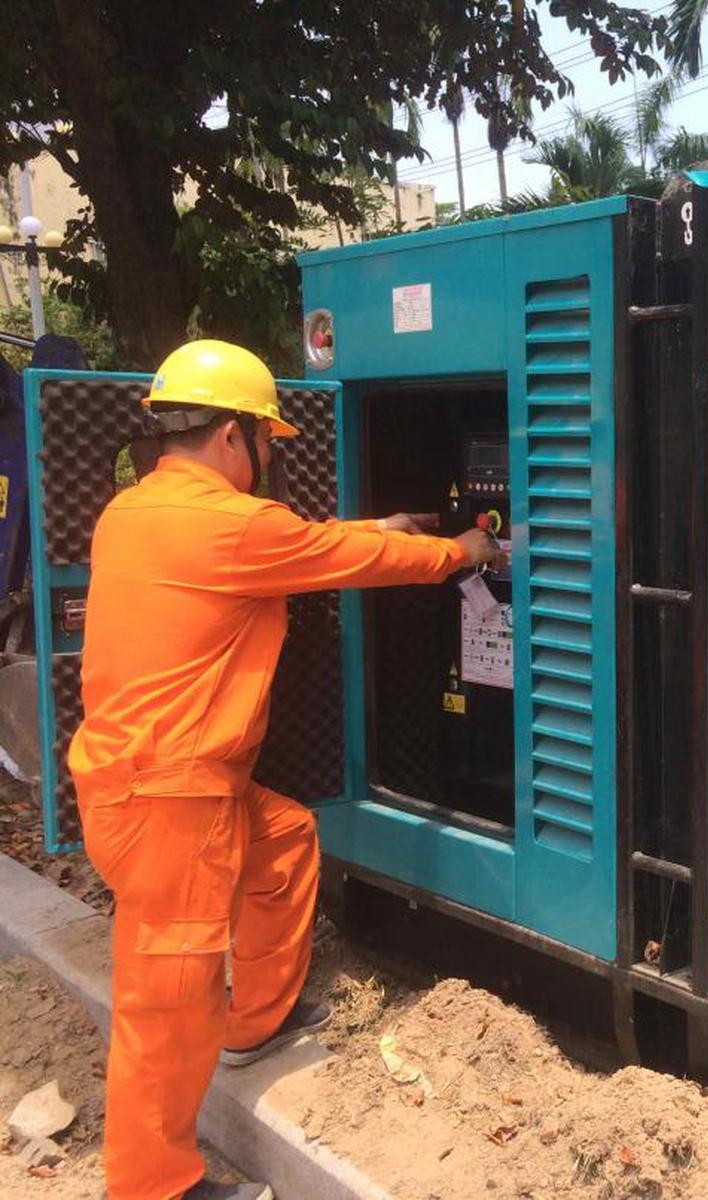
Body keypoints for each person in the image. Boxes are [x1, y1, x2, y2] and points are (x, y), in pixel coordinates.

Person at [67, 340, 506, 1200]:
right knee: (168, 1005)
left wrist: (375, 526)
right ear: (233, 434)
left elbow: (301, 547)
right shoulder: (234, 525)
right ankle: (153, 1184)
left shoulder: (133, 511)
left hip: (153, 782)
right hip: (171, 801)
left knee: (285, 843)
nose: (269, 456)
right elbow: (334, 558)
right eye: (268, 439)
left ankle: (253, 1023)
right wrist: (462, 551)